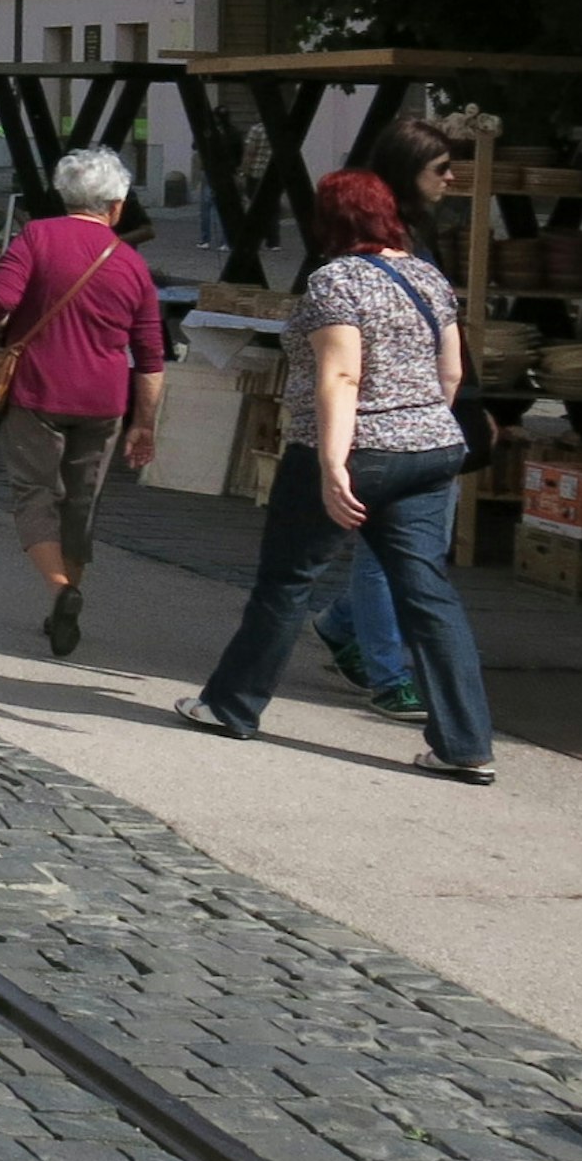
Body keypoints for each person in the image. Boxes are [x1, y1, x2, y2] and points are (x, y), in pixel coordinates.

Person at [178, 168, 494, 781]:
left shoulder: (335, 282)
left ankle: (229, 706)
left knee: (288, 582)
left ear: (329, 222)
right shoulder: (428, 277)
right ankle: (466, 743)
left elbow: (340, 377)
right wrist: (420, 421)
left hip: (357, 449)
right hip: (430, 449)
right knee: (427, 593)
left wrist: (331, 464)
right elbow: (450, 373)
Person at [314, 121, 486, 722]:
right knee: (390, 556)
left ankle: (341, 626)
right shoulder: (378, 250)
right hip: (398, 426)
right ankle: (391, 674)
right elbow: (344, 369)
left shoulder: (416, 241)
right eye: (440, 167)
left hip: (420, 424)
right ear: (408, 169)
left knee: (410, 551)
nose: (451, 177)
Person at [0, 147, 168, 658]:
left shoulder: (38, 236)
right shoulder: (131, 263)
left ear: (64, 196)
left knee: (35, 492)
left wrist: (5, 329)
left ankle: (61, 592)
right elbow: (150, 356)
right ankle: (67, 595)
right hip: (104, 400)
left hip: (37, 389)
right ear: (117, 206)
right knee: (82, 502)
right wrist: (144, 426)